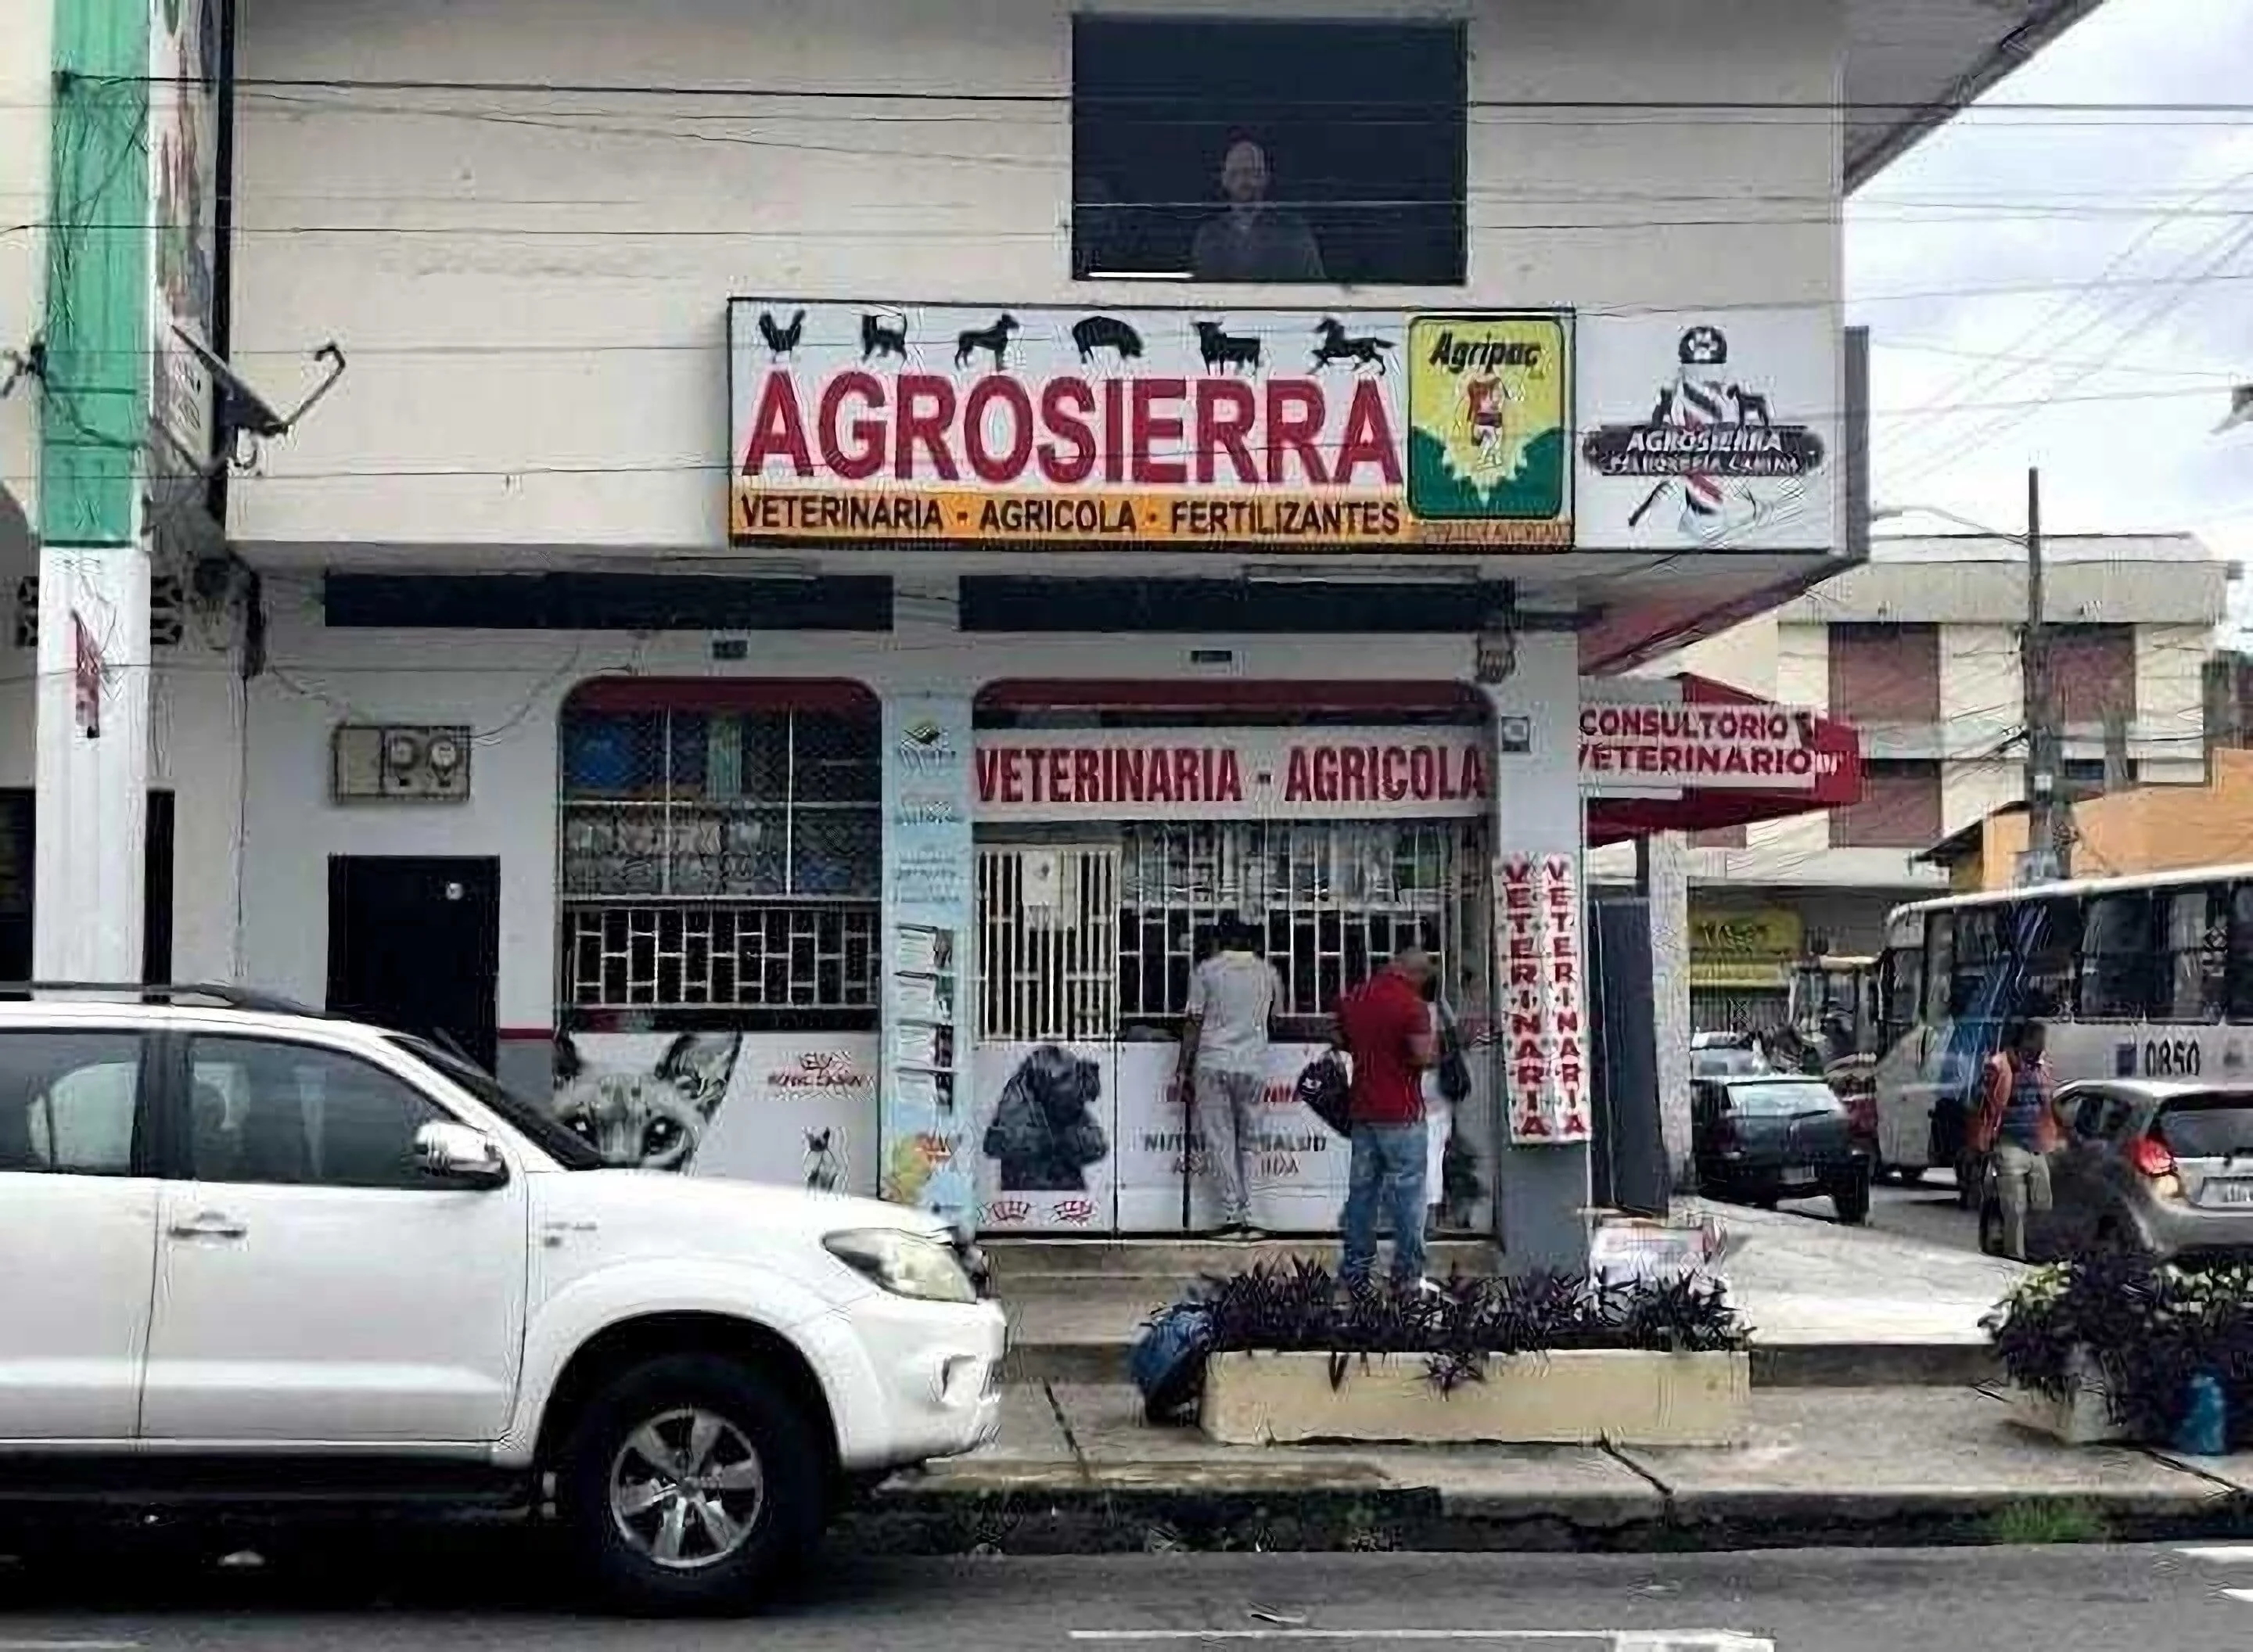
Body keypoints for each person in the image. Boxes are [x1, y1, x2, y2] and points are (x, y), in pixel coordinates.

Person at [1333, 944, 1437, 1291]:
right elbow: (1422, 1057)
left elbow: (1340, 1040)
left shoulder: (1355, 998)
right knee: (1407, 1196)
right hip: (1402, 1114)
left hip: (1363, 1111)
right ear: (1417, 974)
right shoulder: (1412, 1005)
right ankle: (1407, 1276)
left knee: (1362, 1194)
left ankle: (1356, 1272)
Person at [1175, 914, 1285, 1239]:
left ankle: (1231, 1215)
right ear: (1251, 941)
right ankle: (1253, 1218)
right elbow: (1276, 1018)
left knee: (1220, 1140)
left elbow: (1193, 1021)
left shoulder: (1207, 971)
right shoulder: (1268, 972)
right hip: (1253, 1064)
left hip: (1212, 1062)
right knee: (1250, 1142)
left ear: (1218, 940)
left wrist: (1183, 1067)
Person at [1970, 1019, 2059, 1261]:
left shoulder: (2041, 1068)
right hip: (2008, 1143)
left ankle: (2035, 1249)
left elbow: (2047, 1105)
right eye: (2039, 1039)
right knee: (2014, 1205)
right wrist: (1985, 1144)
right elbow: (1983, 1104)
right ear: (2026, 1040)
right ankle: (2015, 1255)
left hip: (2036, 1145)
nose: (2043, 1045)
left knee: (2042, 1202)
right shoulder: (1999, 1065)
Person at [1189, 138, 1326, 283]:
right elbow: (1200, 294)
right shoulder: (1209, 236)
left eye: (1249, 172)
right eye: (1235, 174)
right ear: (1225, 180)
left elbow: (1316, 291)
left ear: (1265, 177)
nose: (1243, 181)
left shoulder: (1292, 231)